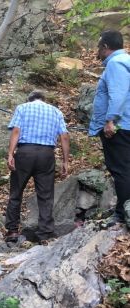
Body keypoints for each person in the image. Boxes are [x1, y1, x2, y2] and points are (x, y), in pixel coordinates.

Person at [4, 90, 69, 243]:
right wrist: (65, 161)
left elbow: (16, 130)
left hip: (25, 152)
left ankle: (12, 231)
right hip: (46, 154)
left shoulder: (22, 108)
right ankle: (45, 233)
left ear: (30, 99)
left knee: (16, 192)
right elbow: (64, 136)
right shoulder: (55, 111)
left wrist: (10, 154)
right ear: (43, 99)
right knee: (45, 195)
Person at [89, 30, 130, 227]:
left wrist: (110, 120)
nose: (97, 51)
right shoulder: (126, 61)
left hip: (120, 127)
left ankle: (122, 214)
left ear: (105, 47)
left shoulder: (115, 63)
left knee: (121, 170)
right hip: (126, 125)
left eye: (99, 47)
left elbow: (119, 93)